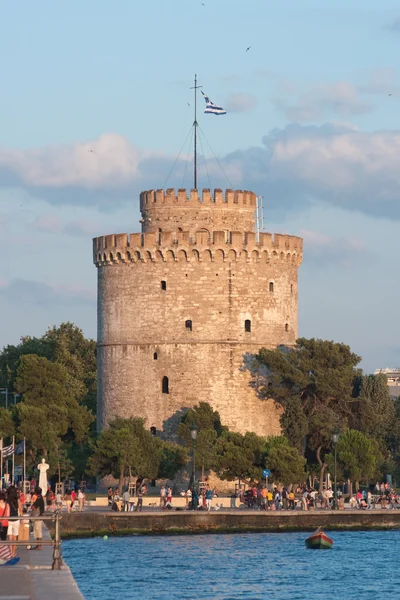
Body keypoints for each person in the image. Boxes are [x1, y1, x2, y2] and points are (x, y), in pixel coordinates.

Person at [6, 486, 21, 558]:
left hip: (8, 520)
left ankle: (10, 552)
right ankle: (14, 552)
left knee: (9, 537)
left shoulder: (7, 500)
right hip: (16, 519)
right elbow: (20, 510)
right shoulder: (17, 500)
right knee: (15, 537)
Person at [31, 486, 45, 550]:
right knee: (37, 531)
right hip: (39, 516)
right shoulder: (40, 498)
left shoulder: (39, 499)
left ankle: (39, 546)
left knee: (38, 531)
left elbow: (34, 507)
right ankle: (38, 545)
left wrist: (33, 503)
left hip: (38, 516)